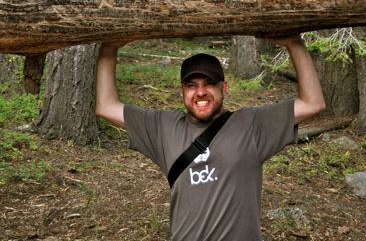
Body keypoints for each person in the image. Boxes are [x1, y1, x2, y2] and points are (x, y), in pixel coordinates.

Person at [96, 35, 325, 241]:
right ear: (182, 92)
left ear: (224, 87)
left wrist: (294, 42)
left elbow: (313, 103)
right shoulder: (163, 127)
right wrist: (109, 47)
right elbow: (106, 106)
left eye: (209, 84)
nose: (201, 92)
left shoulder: (252, 124)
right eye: (191, 85)